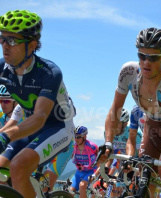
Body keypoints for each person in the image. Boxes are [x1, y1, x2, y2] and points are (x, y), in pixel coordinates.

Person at [98, 27, 161, 197]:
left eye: (153, 57)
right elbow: (115, 110)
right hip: (151, 124)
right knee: (144, 172)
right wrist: (108, 143)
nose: (146, 62)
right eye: (141, 56)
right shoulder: (128, 72)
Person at [0, 9, 75, 197]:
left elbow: (40, 117)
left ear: (31, 45)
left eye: (12, 40)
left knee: (18, 166)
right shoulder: (2, 68)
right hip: (29, 129)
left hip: (58, 127)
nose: (4, 46)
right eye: (2, 39)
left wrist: (5, 136)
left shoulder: (49, 72)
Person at [70, 126, 98, 198]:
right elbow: (70, 157)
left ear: (84, 136)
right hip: (79, 172)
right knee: (70, 191)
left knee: (82, 186)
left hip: (91, 171)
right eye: (75, 137)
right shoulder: (73, 146)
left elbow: (101, 159)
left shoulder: (92, 146)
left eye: (79, 137)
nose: (76, 139)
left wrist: (97, 173)